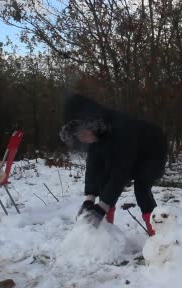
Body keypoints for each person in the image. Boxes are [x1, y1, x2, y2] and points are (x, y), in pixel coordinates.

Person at [59, 93, 168, 235]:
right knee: (105, 185)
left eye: (81, 133)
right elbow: (94, 166)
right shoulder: (97, 134)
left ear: (90, 124)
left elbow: (120, 171)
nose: (81, 139)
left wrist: (102, 206)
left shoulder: (121, 130)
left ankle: (159, 236)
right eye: (77, 136)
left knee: (142, 189)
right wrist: (89, 199)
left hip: (152, 150)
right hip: (129, 152)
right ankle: (106, 234)